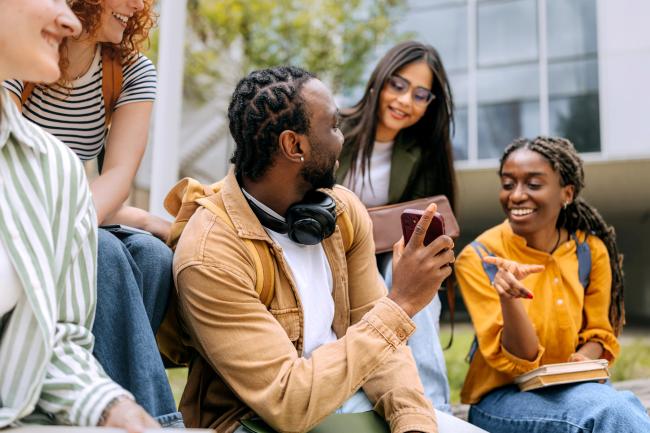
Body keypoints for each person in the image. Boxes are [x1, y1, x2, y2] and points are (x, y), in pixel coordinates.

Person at [167, 66, 485, 433]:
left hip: (352, 401)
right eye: (333, 127)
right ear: (295, 145)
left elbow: (386, 352)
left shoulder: (343, 212)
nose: (342, 139)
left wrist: (412, 422)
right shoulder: (210, 254)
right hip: (259, 421)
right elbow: (288, 402)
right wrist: (400, 305)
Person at [2, 0, 180, 426]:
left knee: (155, 259)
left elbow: (118, 174)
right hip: (28, 210)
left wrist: (80, 223)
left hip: (75, 202)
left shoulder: (129, 72)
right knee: (104, 252)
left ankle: (114, 401)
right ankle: (155, 417)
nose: (139, 5)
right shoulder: (18, 47)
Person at [455, 136, 650, 432]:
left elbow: (600, 332)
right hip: (504, 398)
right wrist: (510, 299)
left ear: (567, 193)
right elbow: (521, 358)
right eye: (508, 184)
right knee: (610, 412)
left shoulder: (590, 250)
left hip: (575, 387)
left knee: (616, 408)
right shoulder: (480, 257)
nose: (517, 195)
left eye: (533, 185)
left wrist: (582, 361)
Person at [336, 41, 456, 412]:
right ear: (378, 83)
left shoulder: (421, 154)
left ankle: (434, 409)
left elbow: (425, 225)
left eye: (421, 95)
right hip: (329, 257)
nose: (405, 101)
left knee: (418, 278)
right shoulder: (334, 128)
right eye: (399, 86)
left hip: (387, 263)